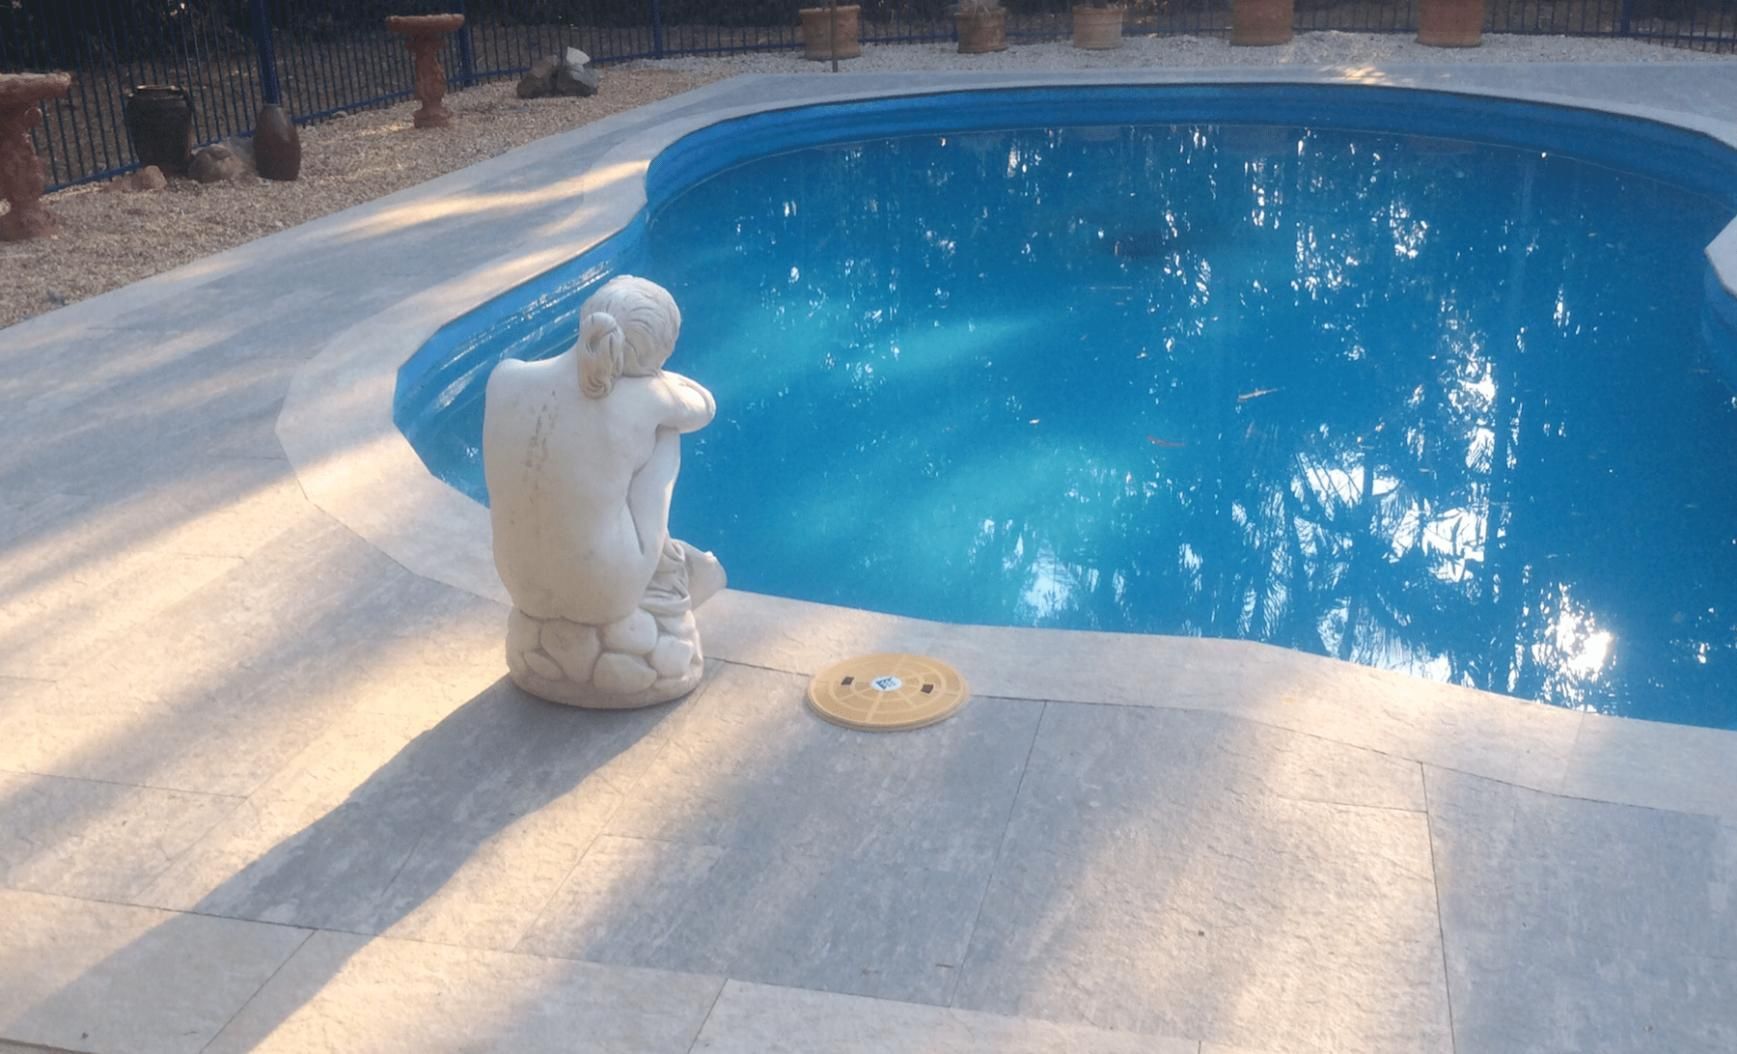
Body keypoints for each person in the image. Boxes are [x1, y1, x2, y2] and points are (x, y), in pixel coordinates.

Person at [484, 275, 716, 627]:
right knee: (668, 429)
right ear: (656, 356)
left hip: (521, 585)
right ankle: (665, 567)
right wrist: (657, 380)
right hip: (606, 596)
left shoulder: (505, 376)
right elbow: (704, 406)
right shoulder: (647, 399)